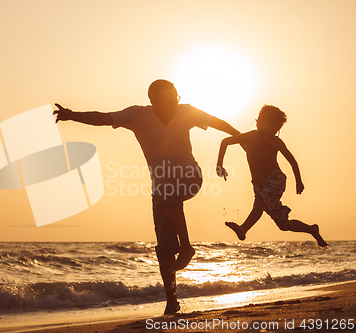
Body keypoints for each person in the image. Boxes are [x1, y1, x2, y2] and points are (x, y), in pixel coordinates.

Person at [53, 79, 241, 314]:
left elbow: (215, 122)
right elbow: (103, 118)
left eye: (175, 99)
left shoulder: (186, 112)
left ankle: (186, 247)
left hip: (190, 177)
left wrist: (242, 138)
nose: (173, 105)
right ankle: (172, 301)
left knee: (166, 191)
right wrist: (72, 115)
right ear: (152, 101)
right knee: (164, 248)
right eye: (166, 101)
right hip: (161, 190)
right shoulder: (137, 116)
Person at [216, 105, 327, 247]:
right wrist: (219, 164)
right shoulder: (250, 136)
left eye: (276, 130)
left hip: (276, 179)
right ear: (259, 122)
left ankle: (243, 229)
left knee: (260, 202)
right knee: (283, 224)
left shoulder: (276, 142)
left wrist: (298, 181)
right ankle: (312, 229)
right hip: (258, 184)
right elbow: (225, 142)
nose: (273, 133)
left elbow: (292, 161)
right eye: (272, 128)